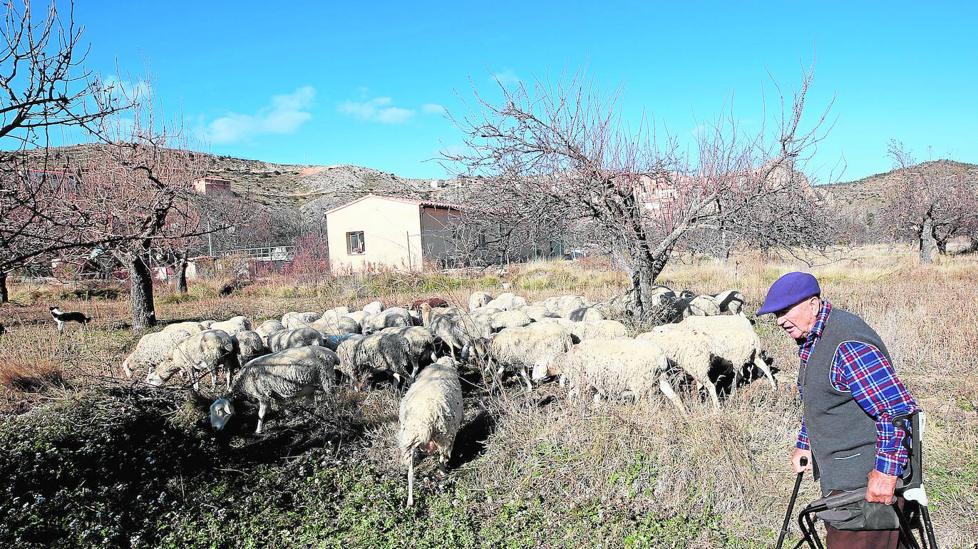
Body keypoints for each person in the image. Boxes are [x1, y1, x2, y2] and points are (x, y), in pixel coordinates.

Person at [757, 272, 919, 549]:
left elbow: (896, 409)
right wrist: (805, 444)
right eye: (776, 314)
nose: (780, 321)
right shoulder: (814, 340)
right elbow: (822, 398)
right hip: (845, 479)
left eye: (785, 311)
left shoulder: (846, 344)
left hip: (865, 482)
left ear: (813, 304)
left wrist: (886, 473)